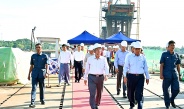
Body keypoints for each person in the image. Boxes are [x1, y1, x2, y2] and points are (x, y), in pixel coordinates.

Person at [123, 41, 150, 109]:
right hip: (131, 76)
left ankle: (140, 105)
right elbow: (126, 66)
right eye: (136, 49)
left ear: (141, 50)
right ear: (133, 49)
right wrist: (125, 76)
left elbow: (146, 68)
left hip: (140, 77)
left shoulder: (143, 57)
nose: (138, 50)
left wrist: (147, 77)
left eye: (139, 49)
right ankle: (132, 105)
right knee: (130, 93)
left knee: (139, 93)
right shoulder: (129, 56)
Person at [84, 43, 109, 109]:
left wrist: (106, 75)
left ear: (101, 51)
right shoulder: (90, 59)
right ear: (94, 51)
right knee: (92, 93)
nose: (98, 51)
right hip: (91, 77)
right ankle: (93, 106)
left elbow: (106, 67)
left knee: (99, 93)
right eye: (97, 50)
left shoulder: (103, 59)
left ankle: (96, 103)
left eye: (99, 50)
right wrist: (85, 78)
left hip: (100, 77)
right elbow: (87, 69)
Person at [160, 40, 182, 109]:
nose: (173, 47)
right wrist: (161, 74)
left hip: (175, 75)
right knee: (166, 90)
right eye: (171, 45)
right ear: (168, 46)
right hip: (166, 75)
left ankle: (171, 100)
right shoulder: (164, 54)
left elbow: (178, 65)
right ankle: (167, 105)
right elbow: (161, 65)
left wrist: (179, 74)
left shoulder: (176, 55)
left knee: (177, 89)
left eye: (174, 45)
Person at [27, 43, 49, 108]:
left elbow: (47, 65)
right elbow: (31, 65)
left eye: (39, 47)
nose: (38, 48)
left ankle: (42, 99)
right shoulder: (33, 56)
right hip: (34, 74)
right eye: (37, 47)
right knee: (33, 88)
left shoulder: (45, 56)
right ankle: (32, 102)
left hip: (42, 74)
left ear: (41, 48)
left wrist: (47, 73)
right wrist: (28, 74)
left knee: (41, 88)